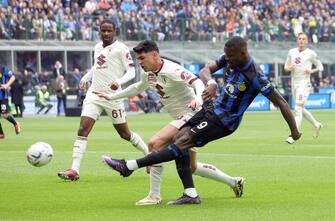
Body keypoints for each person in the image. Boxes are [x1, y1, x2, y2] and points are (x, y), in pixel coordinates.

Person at [101, 36, 301, 205]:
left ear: (242, 54)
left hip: (224, 121)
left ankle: (129, 166)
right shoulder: (230, 57)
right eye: (226, 56)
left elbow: (282, 102)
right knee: (183, 145)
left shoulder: (255, 76)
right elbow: (205, 71)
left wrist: (295, 131)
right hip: (211, 110)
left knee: (179, 143)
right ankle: (192, 193)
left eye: (230, 58)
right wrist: (212, 82)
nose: (227, 61)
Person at [94, 40, 245, 205]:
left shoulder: (172, 69)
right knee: (192, 167)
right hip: (180, 117)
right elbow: (138, 87)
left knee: (155, 143)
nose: (140, 63)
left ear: (155, 55)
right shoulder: (148, 73)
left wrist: (197, 98)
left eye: (142, 58)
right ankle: (233, 182)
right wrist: (112, 96)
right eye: (138, 59)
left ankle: (154, 195)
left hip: (193, 114)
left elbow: (197, 82)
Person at [57, 19, 148, 181]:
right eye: (103, 30)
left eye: (109, 31)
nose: (105, 33)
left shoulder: (121, 49)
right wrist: (85, 78)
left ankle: (150, 156)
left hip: (113, 97)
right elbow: (97, 67)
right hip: (94, 94)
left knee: (125, 134)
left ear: (115, 31)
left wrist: (118, 83)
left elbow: (132, 73)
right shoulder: (97, 46)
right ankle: (74, 170)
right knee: (83, 129)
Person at [284, 32, 323, 144]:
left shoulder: (311, 53)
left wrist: (311, 71)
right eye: (299, 38)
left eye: (303, 39)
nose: (301, 40)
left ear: (306, 41)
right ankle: (316, 124)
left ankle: (294, 135)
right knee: (300, 108)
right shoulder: (291, 52)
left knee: (297, 108)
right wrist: (289, 67)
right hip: (294, 83)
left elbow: (320, 67)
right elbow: (286, 67)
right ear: (297, 40)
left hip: (304, 84)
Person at [0, 64, 21, 139]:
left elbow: (13, 77)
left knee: (4, 114)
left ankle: (15, 124)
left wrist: (6, 85)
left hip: (2, 96)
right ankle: (1, 134)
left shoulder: (2, 68)